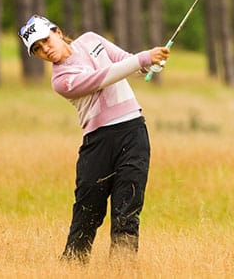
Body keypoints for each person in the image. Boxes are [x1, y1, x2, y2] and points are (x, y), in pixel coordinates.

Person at [18, 14, 170, 263]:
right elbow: (102, 78)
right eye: (37, 49)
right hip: (98, 143)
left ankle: (122, 270)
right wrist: (143, 58)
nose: (45, 49)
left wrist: (150, 64)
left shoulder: (90, 40)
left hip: (134, 133)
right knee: (88, 213)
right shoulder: (60, 80)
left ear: (57, 32)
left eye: (45, 40)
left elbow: (124, 61)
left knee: (128, 209)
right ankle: (73, 266)